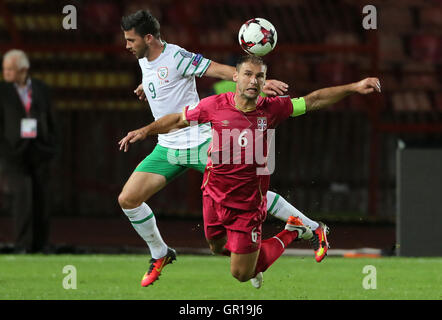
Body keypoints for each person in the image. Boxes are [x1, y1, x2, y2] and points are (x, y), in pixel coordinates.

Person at [118, 55, 381, 287]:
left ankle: (293, 231)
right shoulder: (214, 105)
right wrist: (145, 130)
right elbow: (177, 119)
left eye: (260, 76)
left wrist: (354, 87)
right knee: (216, 247)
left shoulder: (274, 109)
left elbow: (312, 100)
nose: (253, 81)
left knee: (241, 274)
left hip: (247, 206)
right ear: (236, 77)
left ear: (265, 82)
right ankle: (256, 251)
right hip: (213, 195)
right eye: (248, 74)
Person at [118, 9, 328, 287]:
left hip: (200, 141)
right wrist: (147, 85)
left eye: (131, 41)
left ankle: (313, 228)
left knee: (247, 188)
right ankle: (161, 252)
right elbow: (162, 77)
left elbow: (219, 69)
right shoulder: (146, 57)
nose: (127, 46)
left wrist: (256, 84)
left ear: (148, 38)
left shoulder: (178, 56)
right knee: (128, 199)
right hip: (167, 146)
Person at [0, 49, 58, 253]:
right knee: (22, 197)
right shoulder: (2, 91)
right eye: (4, 69)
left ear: (23, 70)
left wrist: (50, 145)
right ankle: (23, 244)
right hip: (14, 153)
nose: (5, 73)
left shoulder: (41, 89)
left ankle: (42, 244)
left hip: (39, 150)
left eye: (10, 69)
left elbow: (51, 119)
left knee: (42, 197)